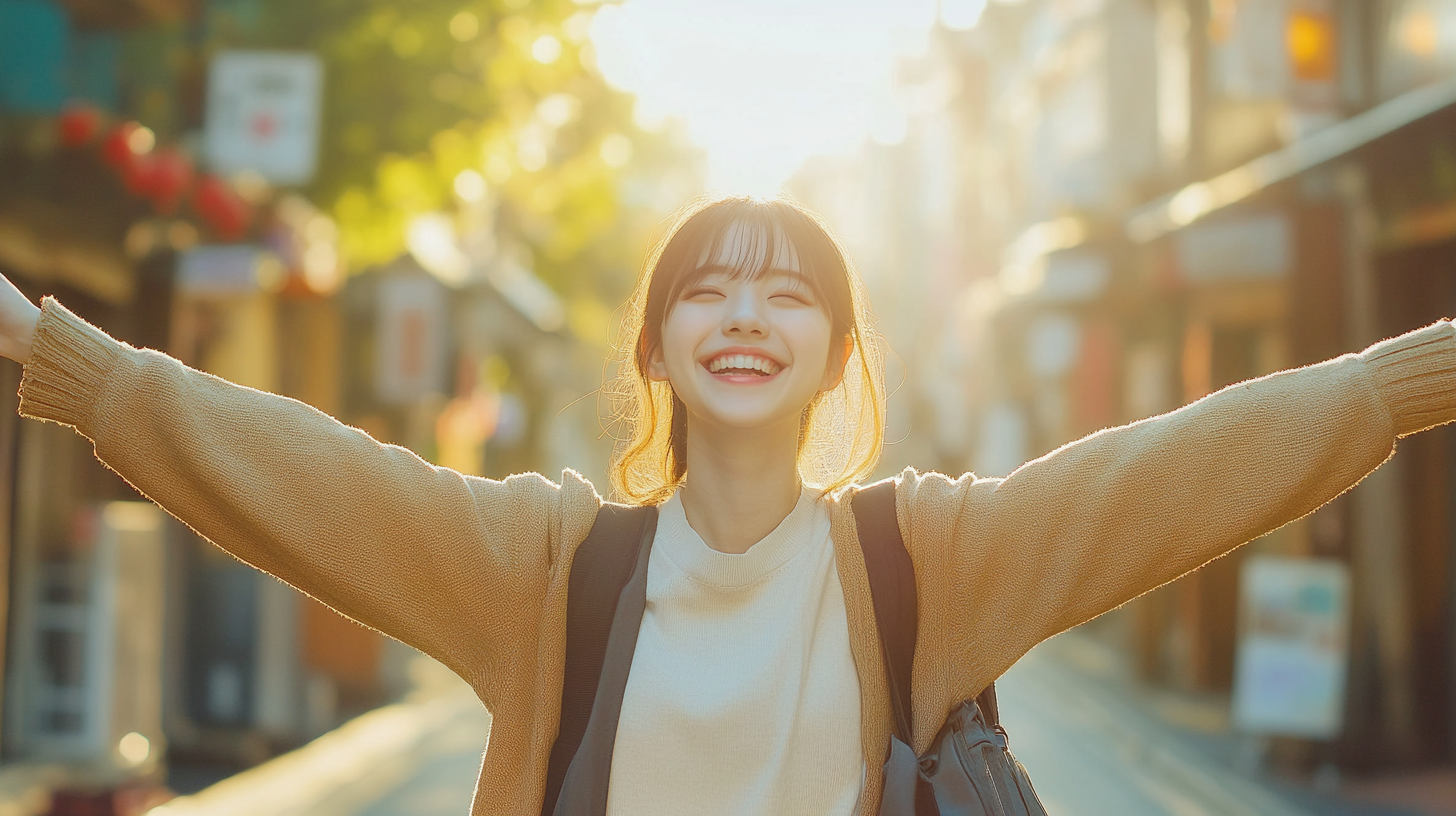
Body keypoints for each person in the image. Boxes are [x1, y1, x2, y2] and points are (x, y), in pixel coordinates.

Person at [3, 195, 1454, 816]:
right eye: (708, 287)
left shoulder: (928, 559)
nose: (746, 315)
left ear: (836, 351)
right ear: (657, 347)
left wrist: (1403, 380)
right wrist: (67, 364)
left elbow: (1170, 475)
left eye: (788, 292)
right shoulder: (546, 567)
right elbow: (312, 483)